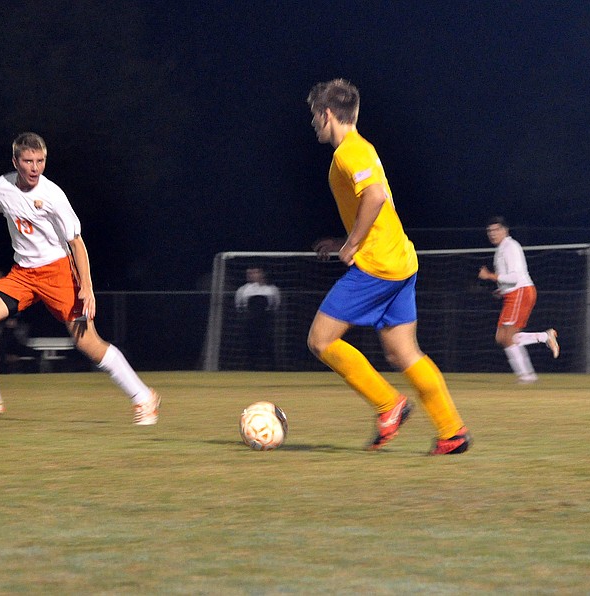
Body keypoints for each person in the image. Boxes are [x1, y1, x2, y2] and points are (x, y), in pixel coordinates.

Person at [0, 132, 160, 423]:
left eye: (40, 161)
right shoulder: (3, 186)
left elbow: (77, 243)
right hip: (22, 274)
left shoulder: (53, 195)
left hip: (58, 273)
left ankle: (143, 397)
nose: (35, 167)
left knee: (89, 343)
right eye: (28, 161)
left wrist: (86, 286)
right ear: (15, 161)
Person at [306, 78, 470, 455]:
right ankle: (451, 432)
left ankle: (389, 405)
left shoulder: (349, 151)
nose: (314, 122)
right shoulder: (361, 150)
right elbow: (373, 201)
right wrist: (343, 238)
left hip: (377, 266)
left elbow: (376, 196)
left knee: (320, 340)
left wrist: (352, 243)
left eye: (315, 115)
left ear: (327, 114)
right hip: (400, 261)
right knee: (403, 353)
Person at [478, 216, 559, 382]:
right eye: (489, 231)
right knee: (501, 337)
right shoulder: (501, 249)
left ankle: (527, 376)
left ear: (505, 230)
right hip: (514, 293)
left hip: (521, 292)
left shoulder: (510, 247)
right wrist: (501, 290)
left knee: (508, 338)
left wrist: (490, 276)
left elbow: (515, 277)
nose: (492, 234)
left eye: (496, 230)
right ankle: (545, 337)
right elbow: (509, 278)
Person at [234, 266, 281, 369]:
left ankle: (273, 368)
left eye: (255, 272)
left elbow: (276, 304)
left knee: (268, 344)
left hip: (266, 320)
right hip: (250, 321)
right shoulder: (243, 290)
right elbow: (239, 306)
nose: (251, 275)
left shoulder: (271, 289)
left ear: (262, 273)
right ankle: (251, 367)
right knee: (251, 345)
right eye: (249, 273)